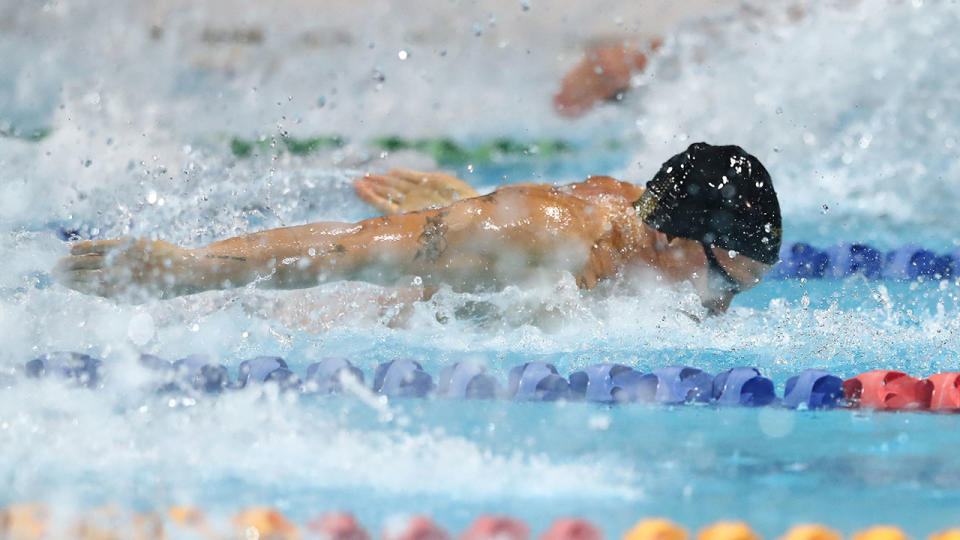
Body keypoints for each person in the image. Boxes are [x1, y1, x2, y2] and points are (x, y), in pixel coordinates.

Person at [55, 143, 781, 315]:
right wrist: (191, 269)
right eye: (724, 281)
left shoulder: (639, 212)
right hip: (325, 319)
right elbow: (349, 248)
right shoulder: (553, 237)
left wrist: (469, 211)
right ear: (670, 239)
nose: (722, 304)